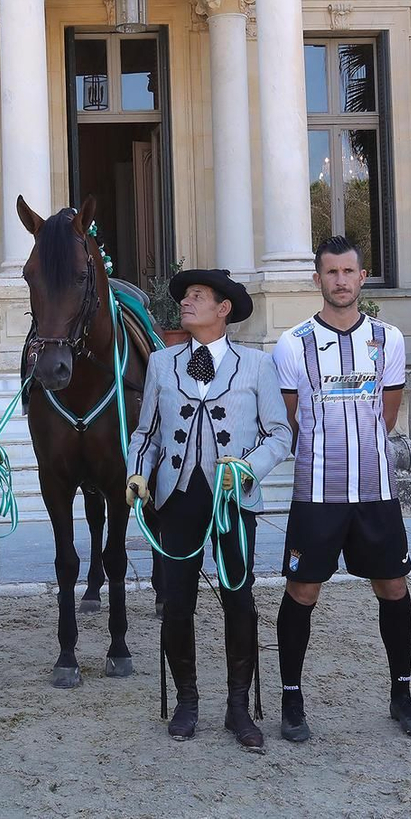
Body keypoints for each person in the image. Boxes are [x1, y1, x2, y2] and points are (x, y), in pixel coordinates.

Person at [270, 236, 411, 743]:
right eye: (330, 272)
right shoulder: (291, 343)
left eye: (349, 272)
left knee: (394, 588)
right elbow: (294, 417)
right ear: (317, 280)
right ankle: (292, 700)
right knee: (302, 590)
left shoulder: (389, 339)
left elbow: (387, 410)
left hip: (376, 493)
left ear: (362, 278)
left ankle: (402, 695)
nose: (340, 280)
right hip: (315, 495)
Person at [125, 269, 291, 751]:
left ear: (224, 310)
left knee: (239, 598)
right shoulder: (161, 363)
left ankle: (238, 707)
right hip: (176, 498)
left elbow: (279, 435)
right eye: (185, 296)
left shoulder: (257, 366)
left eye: (198, 296)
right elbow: (146, 434)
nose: (186, 302)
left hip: (232, 499)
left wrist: (248, 469)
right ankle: (186, 700)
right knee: (177, 601)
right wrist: (137, 471)